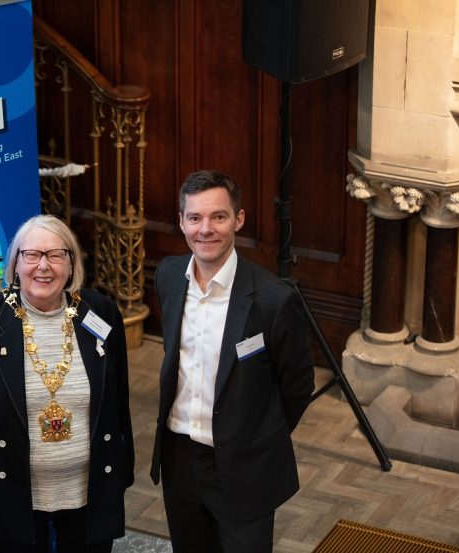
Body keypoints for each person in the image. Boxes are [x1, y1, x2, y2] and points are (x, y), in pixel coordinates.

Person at [0, 214, 134, 553]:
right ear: (15, 264)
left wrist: (122, 469)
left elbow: (118, 401)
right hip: (11, 493)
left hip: (88, 492)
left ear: (71, 266)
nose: (43, 266)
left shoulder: (99, 312)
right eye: (32, 255)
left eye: (56, 255)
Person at [150, 171, 315, 553]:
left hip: (245, 467)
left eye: (218, 217)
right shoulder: (169, 276)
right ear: (181, 222)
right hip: (180, 460)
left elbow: (297, 387)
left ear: (238, 220)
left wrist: (256, 434)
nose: (205, 229)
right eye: (195, 218)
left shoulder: (273, 299)